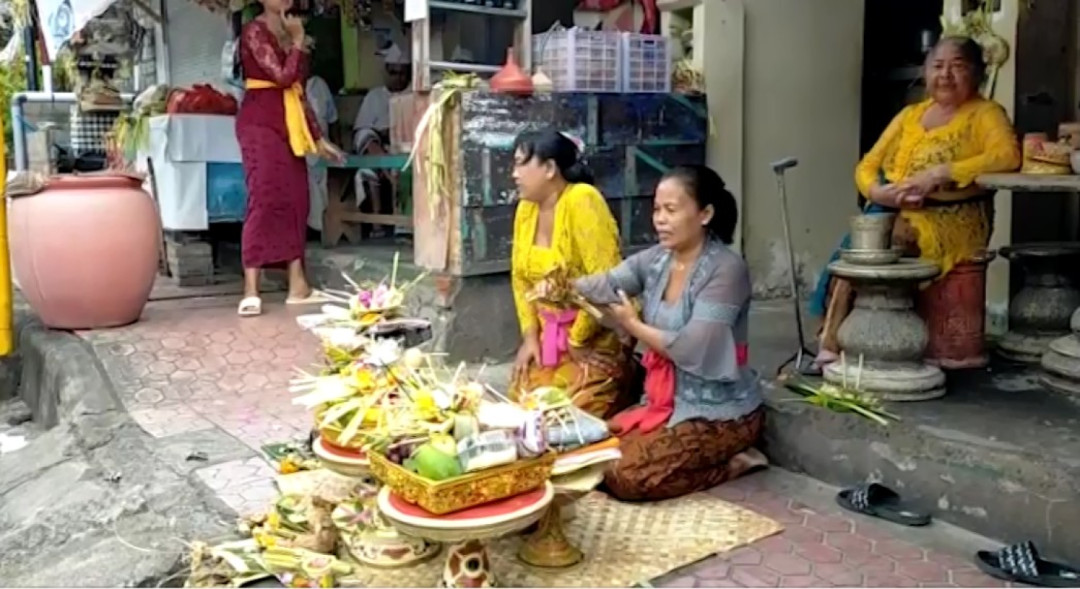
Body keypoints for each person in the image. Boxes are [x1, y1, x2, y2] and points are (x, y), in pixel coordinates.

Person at [811, 36, 1021, 366]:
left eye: (958, 66)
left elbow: (1007, 156)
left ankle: (853, 339)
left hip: (953, 216)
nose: (946, 75)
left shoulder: (985, 113)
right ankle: (836, 338)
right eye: (938, 66)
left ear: (977, 73)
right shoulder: (911, 115)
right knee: (860, 243)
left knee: (881, 240)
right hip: (896, 209)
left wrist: (943, 172)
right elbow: (868, 165)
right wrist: (878, 192)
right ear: (925, 72)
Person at [573, 165, 766, 502]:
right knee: (593, 456)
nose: (659, 219)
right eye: (657, 209)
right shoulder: (658, 260)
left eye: (671, 210)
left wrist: (633, 325)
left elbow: (693, 347)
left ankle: (736, 461)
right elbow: (607, 284)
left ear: (704, 214)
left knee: (626, 477)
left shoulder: (727, 269)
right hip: (661, 402)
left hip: (719, 410)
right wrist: (563, 284)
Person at [509, 128, 632, 419]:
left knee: (567, 422)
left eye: (520, 164)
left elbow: (606, 282)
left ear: (550, 168)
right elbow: (520, 279)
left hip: (592, 341)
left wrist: (577, 340)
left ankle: (628, 372)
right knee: (523, 413)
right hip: (548, 340)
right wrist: (530, 339)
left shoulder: (582, 199)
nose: (514, 174)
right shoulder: (526, 208)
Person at [235, 0, 345, 316]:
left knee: (297, 198)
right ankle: (251, 289)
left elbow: (297, 89)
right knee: (265, 197)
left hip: (289, 121)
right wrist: (297, 41)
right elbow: (281, 77)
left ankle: (298, 284)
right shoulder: (254, 31)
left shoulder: (291, 30)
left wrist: (318, 136)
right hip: (259, 123)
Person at [305, 74, 338, 234]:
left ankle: (323, 228)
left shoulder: (320, 85)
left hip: (323, 147)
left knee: (323, 186)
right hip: (301, 150)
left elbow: (333, 119)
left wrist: (337, 145)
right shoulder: (290, 84)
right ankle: (312, 229)